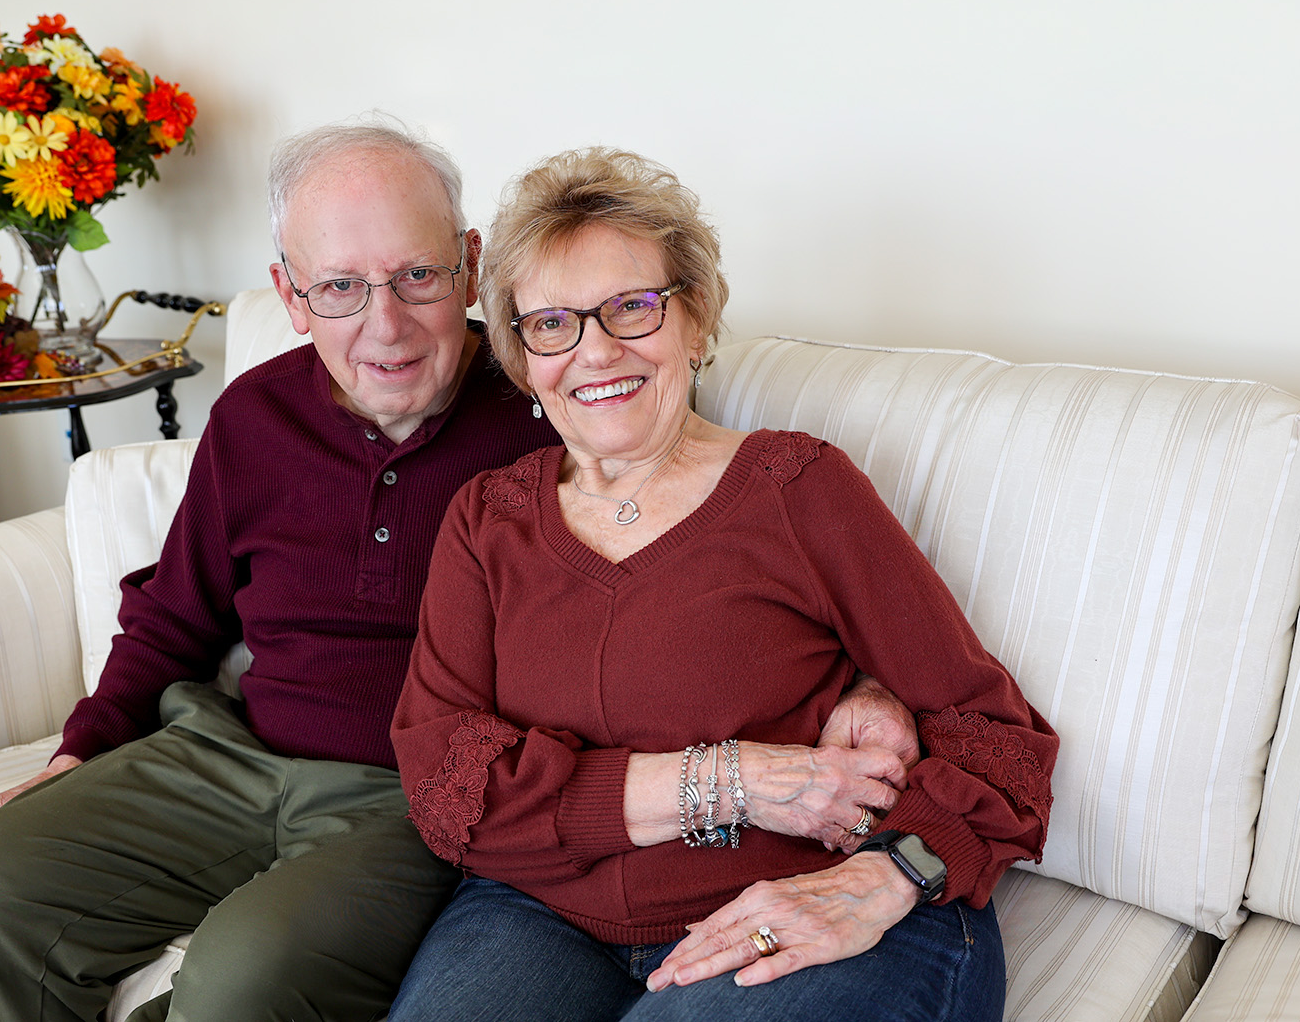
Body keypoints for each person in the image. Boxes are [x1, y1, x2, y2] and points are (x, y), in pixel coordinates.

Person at [0, 121, 918, 1022]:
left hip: (411, 792)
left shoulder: (558, 404)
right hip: (226, 751)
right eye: (341, 287)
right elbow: (174, 614)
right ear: (289, 295)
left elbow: (692, 560)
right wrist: (75, 753)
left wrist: (864, 676)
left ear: (470, 265)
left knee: (244, 971)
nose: (384, 324)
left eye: (418, 277)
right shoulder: (255, 416)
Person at [388, 148, 1059, 1022]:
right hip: (538, 908)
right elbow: (448, 787)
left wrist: (885, 875)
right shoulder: (488, 519)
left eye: (630, 307)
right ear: (522, 356)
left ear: (694, 321)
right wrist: (732, 777)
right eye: (551, 323)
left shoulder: (797, 487)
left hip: (802, 904)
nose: (595, 350)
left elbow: (993, 739)